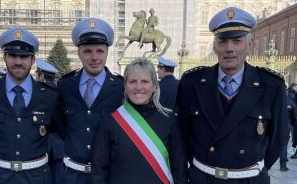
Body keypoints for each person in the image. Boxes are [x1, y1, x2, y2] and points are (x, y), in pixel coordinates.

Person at [176, 6, 287, 183]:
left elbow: (279, 137)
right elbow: (181, 136)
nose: (229, 48)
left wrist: (250, 168)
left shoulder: (271, 85)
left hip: (248, 179)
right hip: (204, 179)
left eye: (237, 41)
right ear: (214, 47)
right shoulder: (192, 83)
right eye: (222, 41)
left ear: (249, 45)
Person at [0, 26, 62, 184]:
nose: (18, 62)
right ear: (4, 57)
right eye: (12, 56)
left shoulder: (50, 95)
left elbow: (60, 135)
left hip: (38, 177)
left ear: (33, 60)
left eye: (24, 57)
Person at [92, 57, 187, 184]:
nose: (138, 87)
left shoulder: (169, 120)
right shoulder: (110, 122)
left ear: (154, 86)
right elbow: (99, 169)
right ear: (125, 86)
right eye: (132, 81)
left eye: (144, 81)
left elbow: (179, 167)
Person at [58, 18, 124, 184]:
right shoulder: (65, 85)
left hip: (108, 176)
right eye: (87, 51)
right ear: (79, 53)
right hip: (72, 176)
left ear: (107, 53)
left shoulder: (121, 87)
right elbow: (60, 126)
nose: (94, 57)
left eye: (99, 51)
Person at [34, 59, 64, 184]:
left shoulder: (38, 92)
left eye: (37, 74)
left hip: (42, 143)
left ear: (41, 75)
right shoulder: (60, 90)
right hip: (59, 144)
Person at [279, 86, 297, 171]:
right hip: (286, 125)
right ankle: (283, 165)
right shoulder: (290, 102)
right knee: (283, 145)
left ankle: (266, 165)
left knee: (267, 144)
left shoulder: (274, 100)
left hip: (274, 125)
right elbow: (294, 116)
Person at [286, 83, 297, 159]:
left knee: (294, 137)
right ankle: (294, 151)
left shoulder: (291, 93)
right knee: (295, 137)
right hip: (293, 118)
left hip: (293, 118)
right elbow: (294, 107)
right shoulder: (292, 94)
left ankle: (294, 151)